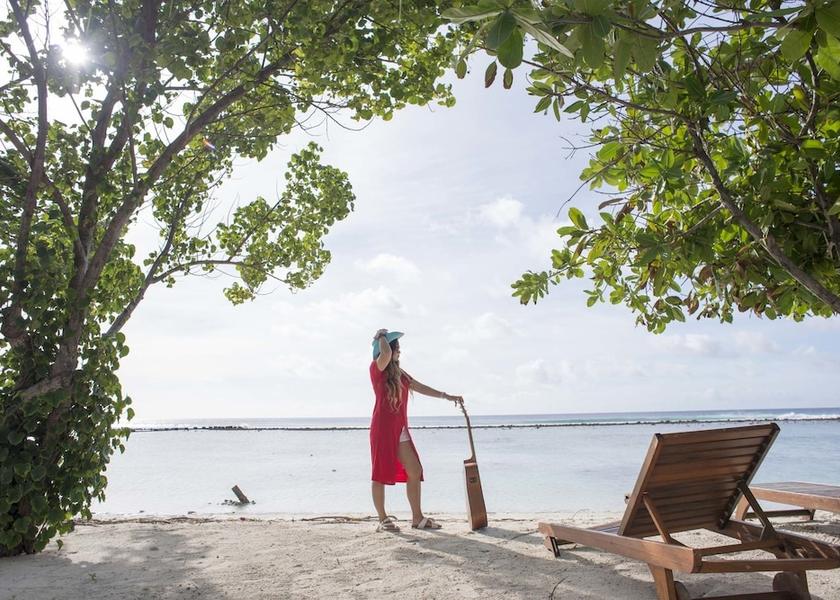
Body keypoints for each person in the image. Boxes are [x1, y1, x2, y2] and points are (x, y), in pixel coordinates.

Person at [369, 328, 464, 532]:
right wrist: (381, 336)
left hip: (399, 429)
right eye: (397, 348)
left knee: (415, 470)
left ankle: (417, 518)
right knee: (380, 474)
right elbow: (384, 354)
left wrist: (446, 396)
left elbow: (419, 387)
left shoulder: (399, 373)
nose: (399, 352)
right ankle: (383, 519)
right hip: (383, 429)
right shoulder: (376, 369)